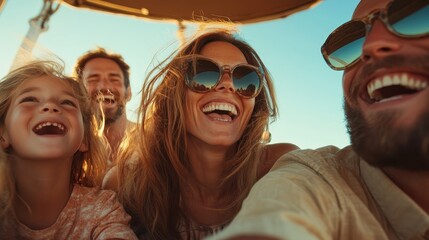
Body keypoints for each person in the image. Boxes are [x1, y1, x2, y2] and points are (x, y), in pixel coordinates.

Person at [207, 0, 429, 239]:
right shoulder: (315, 177)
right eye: (351, 41)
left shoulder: (275, 161)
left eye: (414, 16)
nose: (371, 46)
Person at [102, 28, 299, 239]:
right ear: (174, 93)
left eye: (245, 79)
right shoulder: (126, 182)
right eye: (204, 72)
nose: (227, 84)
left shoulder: (280, 167)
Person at [0, 60, 137, 239]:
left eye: (67, 102)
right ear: (3, 134)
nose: (50, 106)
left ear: (84, 139)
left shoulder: (101, 207)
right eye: (30, 99)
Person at [73, 47, 136, 166]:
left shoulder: (153, 141)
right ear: (78, 93)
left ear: (128, 92)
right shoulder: (70, 151)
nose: (105, 86)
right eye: (93, 79)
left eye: (114, 79)